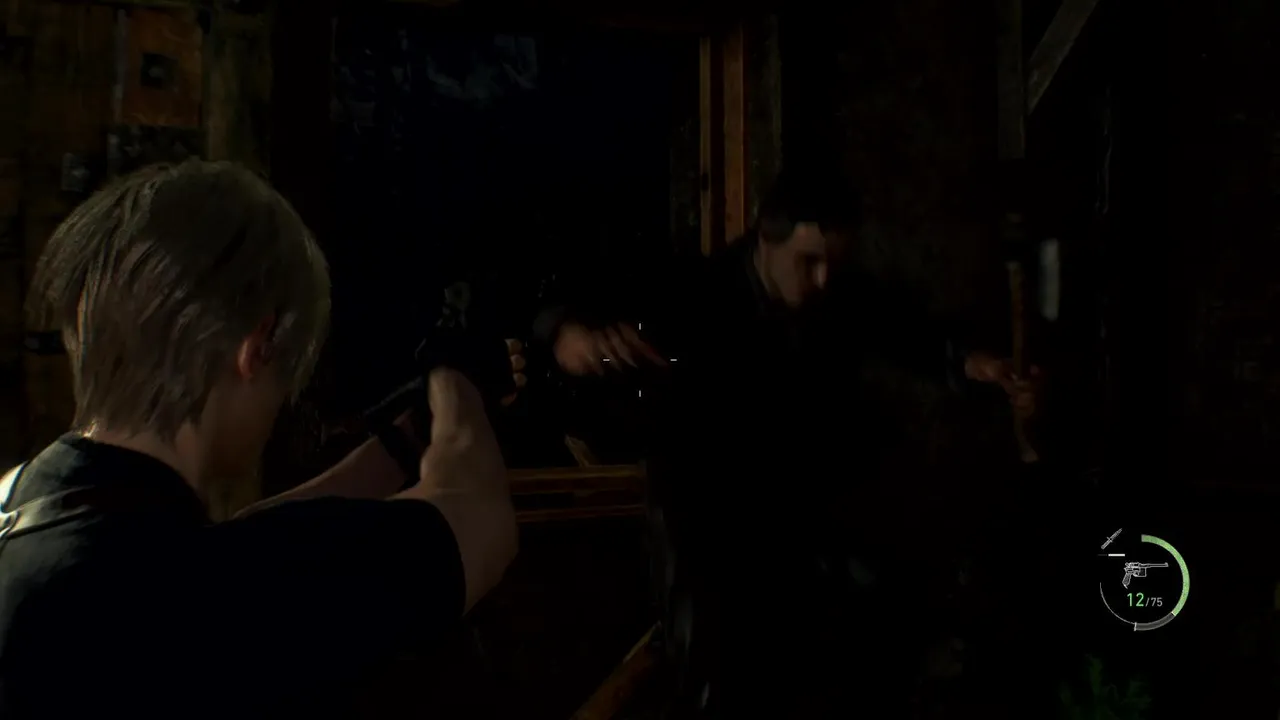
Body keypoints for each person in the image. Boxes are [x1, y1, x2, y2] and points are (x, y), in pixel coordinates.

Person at [0, 161, 520, 718]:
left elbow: (245, 546)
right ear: (257, 347)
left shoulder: (30, 507)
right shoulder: (191, 600)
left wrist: (407, 439)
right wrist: (454, 371)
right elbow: (480, 520)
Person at [536, 164, 1037, 717]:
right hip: (706, 526)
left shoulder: (837, 296)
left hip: (800, 516)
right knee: (716, 677)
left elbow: (908, 331)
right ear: (765, 239)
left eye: (832, 264)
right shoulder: (696, 293)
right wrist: (565, 335)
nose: (822, 279)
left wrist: (976, 364)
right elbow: (572, 318)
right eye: (809, 261)